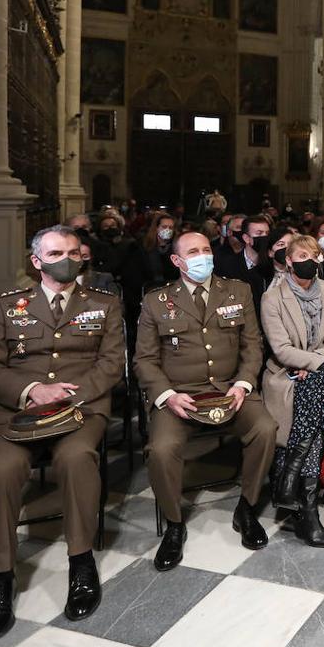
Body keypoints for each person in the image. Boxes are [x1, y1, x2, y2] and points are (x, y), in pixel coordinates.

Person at [0, 226, 126, 641]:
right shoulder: (8, 306)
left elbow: (112, 365)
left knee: (76, 459)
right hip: (15, 411)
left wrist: (70, 396)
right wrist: (32, 391)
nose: (68, 258)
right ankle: (1, 578)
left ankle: (81, 562)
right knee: (1, 472)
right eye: (57, 252)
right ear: (36, 261)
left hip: (79, 407)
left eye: (74, 252)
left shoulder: (104, 304)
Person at [133, 233, 276, 570]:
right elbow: (144, 360)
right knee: (162, 449)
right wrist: (167, 396)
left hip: (230, 389)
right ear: (177, 261)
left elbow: (252, 346)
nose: (202, 257)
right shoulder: (157, 301)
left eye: (206, 250)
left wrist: (243, 384)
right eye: (193, 252)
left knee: (266, 428)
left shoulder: (238, 291)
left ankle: (247, 507)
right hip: (181, 395)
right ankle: (174, 523)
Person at [260, 235, 324, 547]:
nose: (309, 260)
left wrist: (316, 365)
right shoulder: (272, 297)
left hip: (320, 375)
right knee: (314, 396)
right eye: (301, 254)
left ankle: (290, 482)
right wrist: (323, 365)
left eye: (314, 254)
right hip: (285, 377)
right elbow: (282, 350)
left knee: (313, 387)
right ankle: (307, 509)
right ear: (288, 260)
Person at [214, 214, 274, 309]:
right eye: (259, 233)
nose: (264, 237)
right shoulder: (227, 266)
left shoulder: (273, 265)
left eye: (267, 233)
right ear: (246, 238)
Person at [143, 213, 180, 289]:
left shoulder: (178, 248)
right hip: (151, 289)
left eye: (171, 228)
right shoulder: (145, 247)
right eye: (164, 227)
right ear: (156, 228)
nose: (167, 230)